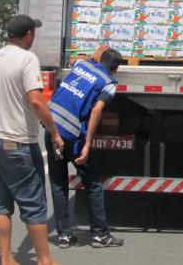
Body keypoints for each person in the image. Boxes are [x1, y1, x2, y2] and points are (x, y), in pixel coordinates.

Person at [0, 14, 65, 265]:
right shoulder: (27, 59)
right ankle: (44, 260)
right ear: (29, 35)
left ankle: (6, 258)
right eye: (33, 33)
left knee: (0, 201)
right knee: (34, 203)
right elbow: (36, 100)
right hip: (18, 142)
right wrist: (55, 132)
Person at [45, 45, 125, 249]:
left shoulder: (82, 65)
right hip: (73, 136)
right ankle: (100, 235)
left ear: (99, 59)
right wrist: (88, 144)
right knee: (93, 184)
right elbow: (97, 110)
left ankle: (64, 235)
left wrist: (92, 56)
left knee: (58, 182)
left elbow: (73, 62)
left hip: (52, 130)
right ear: (116, 69)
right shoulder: (109, 83)